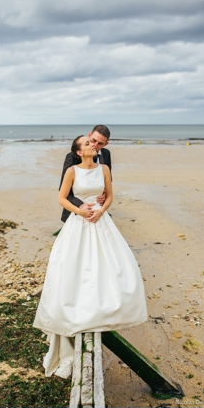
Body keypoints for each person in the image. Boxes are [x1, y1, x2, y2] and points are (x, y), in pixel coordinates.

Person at [33, 134, 148, 378]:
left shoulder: (104, 167)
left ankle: (105, 306)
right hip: (79, 221)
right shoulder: (72, 171)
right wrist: (80, 210)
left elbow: (109, 195)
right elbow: (61, 198)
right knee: (75, 265)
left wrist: (100, 211)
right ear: (78, 152)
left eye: (93, 143)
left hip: (100, 219)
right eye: (87, 144)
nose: (92, 146)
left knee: (109, 264)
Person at [58, 124, 112, 224]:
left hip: (99, 211)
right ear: (89, 135)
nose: (95, 146)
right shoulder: (72, 157)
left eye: (100, 143)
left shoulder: (106, 155)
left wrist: (104, 195)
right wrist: (80, 206)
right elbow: (63, 190)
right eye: (93, 140)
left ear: (105, 144)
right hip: (76, 212)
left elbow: (107, 182)